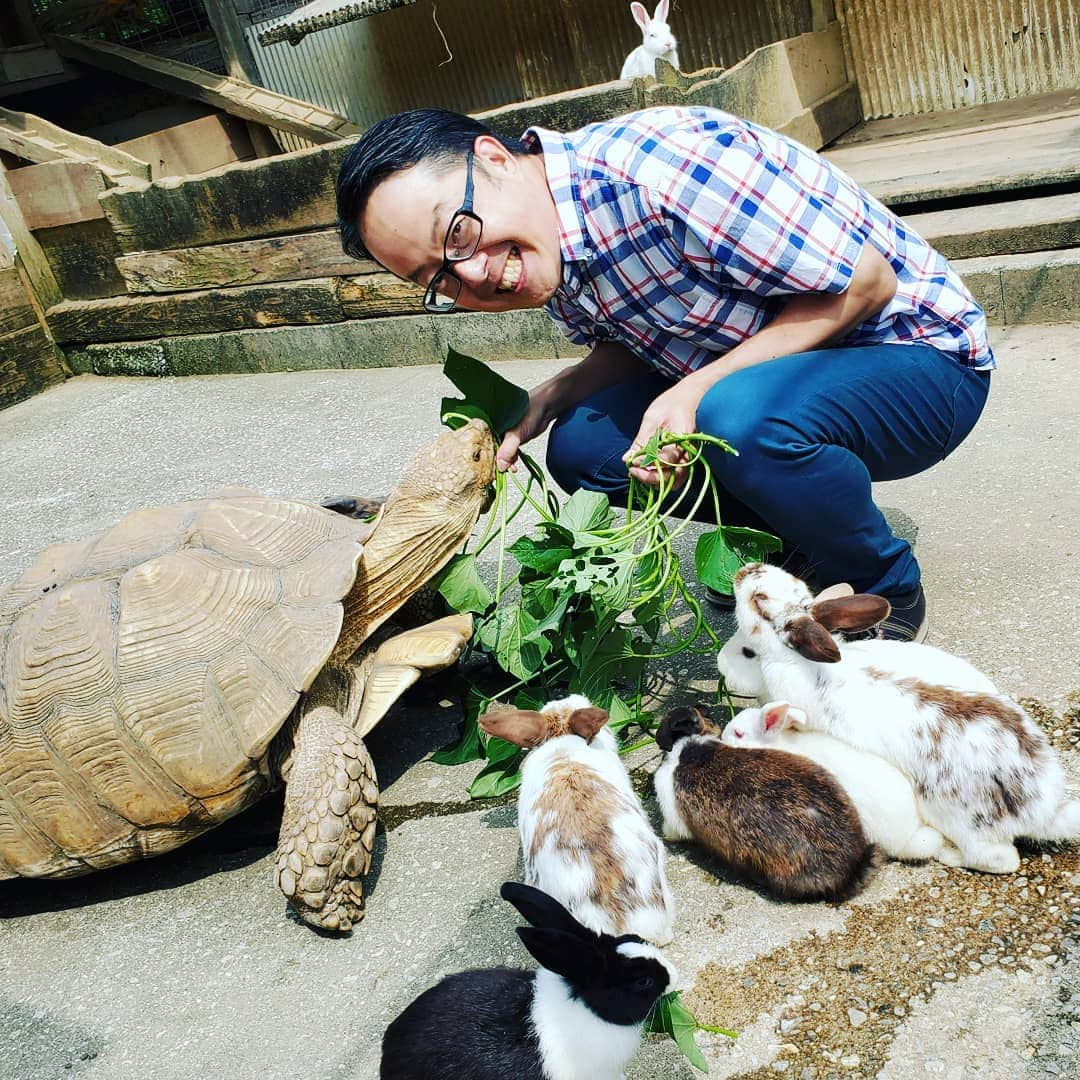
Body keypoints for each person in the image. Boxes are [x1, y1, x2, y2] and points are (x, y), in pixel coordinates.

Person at [335, 106, 993, 641]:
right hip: (786, 381)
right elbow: (636, 341)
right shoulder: (546, 239)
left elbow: (863, 285)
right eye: (438, 278)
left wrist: (696, 388)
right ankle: (795, 531)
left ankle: (885, 580)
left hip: (922, 360)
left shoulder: (658, 170)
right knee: (584, 444)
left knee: (736, 417)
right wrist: (549, 396)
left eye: (456, 235)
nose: (473, 275)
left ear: (494, 158)